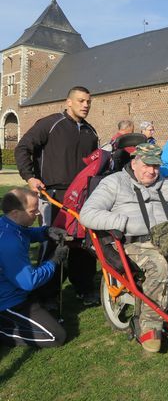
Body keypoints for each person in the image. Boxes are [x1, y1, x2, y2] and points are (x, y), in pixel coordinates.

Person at [80, 143, 168, 353]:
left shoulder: (165, 183)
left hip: (167, 238)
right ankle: (150, 325)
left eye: (156, 167)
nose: (152, 171)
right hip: (134, 242)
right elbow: (88, 213)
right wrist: (123, 222)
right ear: (134, 163)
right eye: (147, 165)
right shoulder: (114, 183)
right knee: (158, 267)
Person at [15, 85, 99, 306]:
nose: (86, 105)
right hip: (54, 195)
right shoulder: (50, 124)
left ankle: (84, 287)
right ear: (68, 102)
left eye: (88, 101)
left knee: (84, 244)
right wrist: (30, 177)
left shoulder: (91, 132)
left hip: (83, 197)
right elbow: (23, 147)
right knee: (54, 242)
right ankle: (48, 293)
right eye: (81, 101)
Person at [0, 188, 68, 348]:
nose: (38, 213)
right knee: (56, 337)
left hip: (16, 292)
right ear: (16, 213)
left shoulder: (9, 224)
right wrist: (54, 261)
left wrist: (46, 231)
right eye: (33, 210)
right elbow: (28, 282)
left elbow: (27, 233)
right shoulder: (9, 243)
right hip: (9, 301)